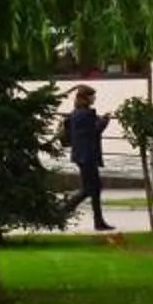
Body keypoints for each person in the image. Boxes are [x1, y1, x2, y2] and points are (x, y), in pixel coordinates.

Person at [54, 85, 115, 233]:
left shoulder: (76, 113)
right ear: (86, 98)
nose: (94, 98)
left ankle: (98, 221)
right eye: (92, 96)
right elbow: (94, 132)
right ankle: (62, 212)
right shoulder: (85, 114)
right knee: (89, 189)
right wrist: (105, 121)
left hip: (82, 155)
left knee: (95, 188)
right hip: (87, 155)